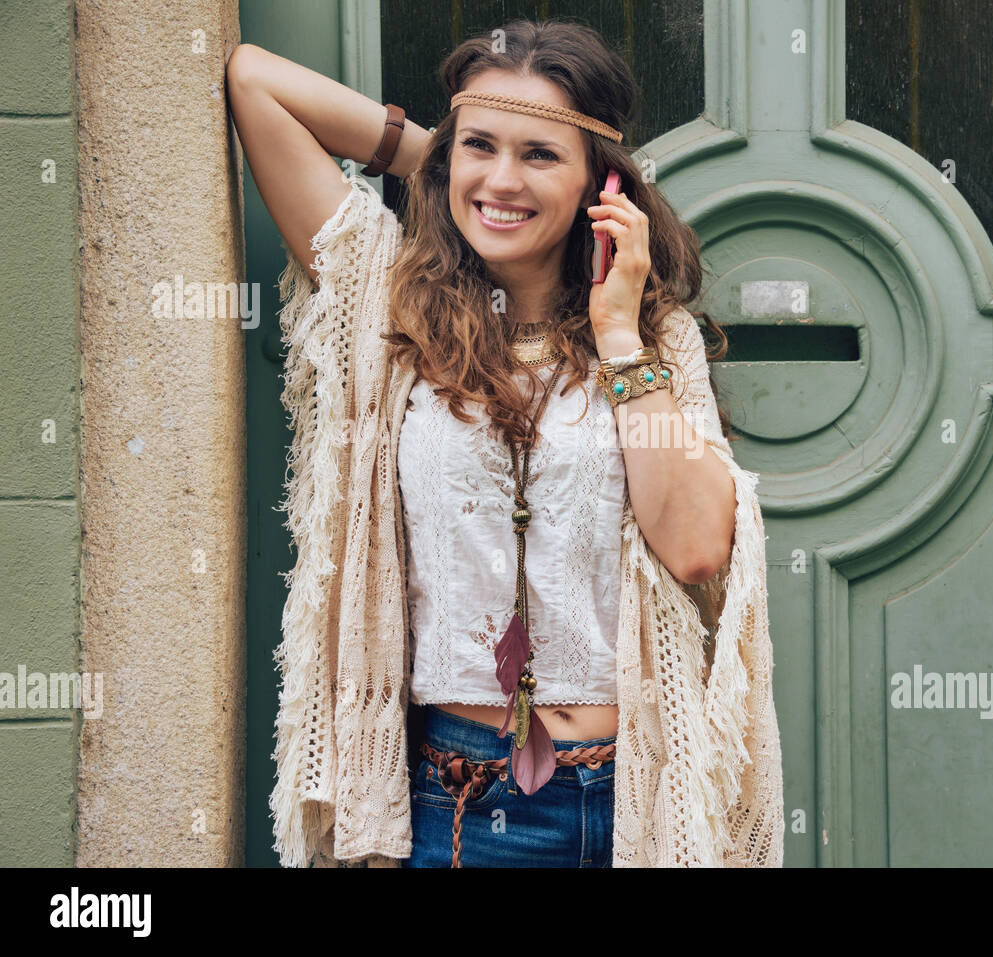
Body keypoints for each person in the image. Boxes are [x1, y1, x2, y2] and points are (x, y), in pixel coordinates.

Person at [227, 18, 784, 868]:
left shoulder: (653, 340)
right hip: (462, 798)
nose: (503, 177)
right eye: (482, 145)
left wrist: (620, 340)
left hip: (636, 796)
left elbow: (699, 547)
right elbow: (254, 79)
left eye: (540, 156)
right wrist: (447, 168)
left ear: (601, 184)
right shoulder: (389, 302)